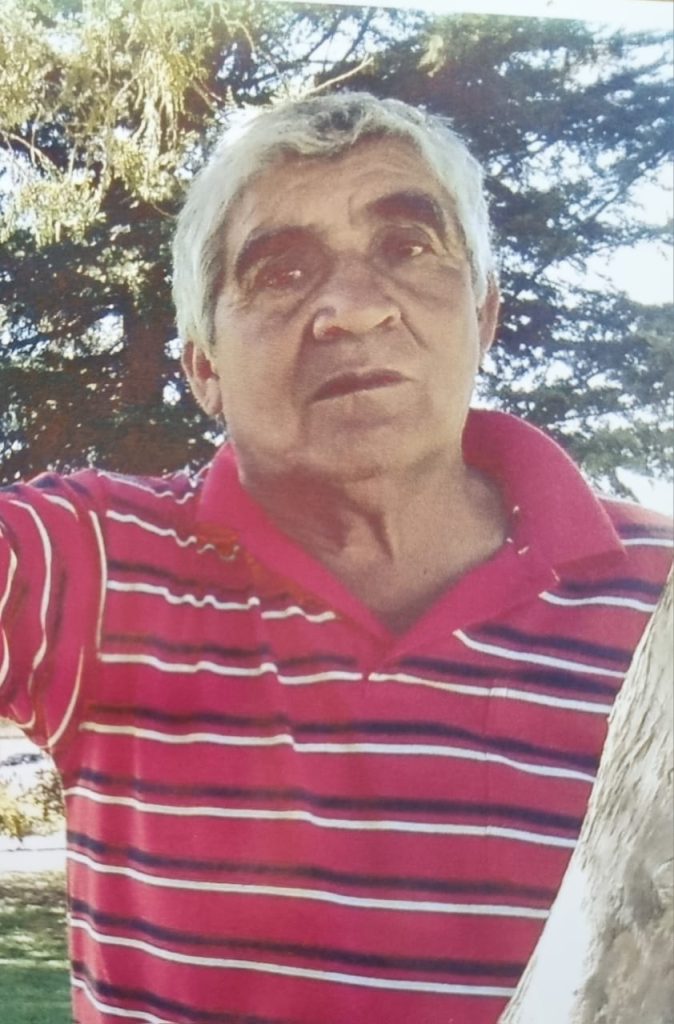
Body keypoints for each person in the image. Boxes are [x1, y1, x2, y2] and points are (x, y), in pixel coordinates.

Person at [0, 92, 671, 1024]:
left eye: (409, 248)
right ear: (205, 367)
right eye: (280, 271)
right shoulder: (97, 567)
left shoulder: (657, 602)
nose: (352, 310)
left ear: (482, 316)